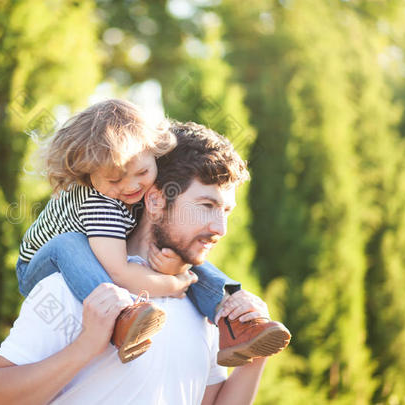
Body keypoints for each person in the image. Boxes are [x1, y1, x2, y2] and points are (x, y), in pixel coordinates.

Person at [0, 121, 290, 404]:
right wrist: (86, 346)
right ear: (155, 200)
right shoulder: (75, 287)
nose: (220, 229)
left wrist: (256, 355)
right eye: (206, 205)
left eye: (226, 211)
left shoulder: (205, 307)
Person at [16, 99, 289, 363]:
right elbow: (118, 272)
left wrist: (179, 267)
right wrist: (173, 283)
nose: (131, 186)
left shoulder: (141, 186)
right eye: (115, 179)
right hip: (40, 266)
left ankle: (235, 320)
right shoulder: (101, 202)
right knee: (69, 243)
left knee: (186, 249)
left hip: (99, 251)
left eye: (142, 172)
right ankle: (121, 319)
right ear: (90, 175)